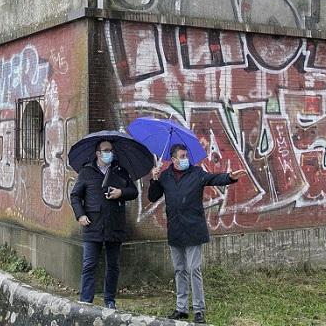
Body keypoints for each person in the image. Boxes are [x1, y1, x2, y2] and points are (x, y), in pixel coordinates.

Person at [147, 143, 246, 324]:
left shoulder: (196, 173)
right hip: (175, 228)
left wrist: (230, 177)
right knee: (179, 270)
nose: (185, 159)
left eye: (186, 156)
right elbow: (153, 197)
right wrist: (153, 179)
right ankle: (181, 308)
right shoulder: (166, 176)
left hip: (193, 227)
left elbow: (213, 178)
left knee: (194, 269)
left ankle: (199, 310)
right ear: (173, 159)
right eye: (182, 156)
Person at [69, 139, 138, 310]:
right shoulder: (87, 172)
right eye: (106, 150)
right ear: (98, 153)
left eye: (111, 150)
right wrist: (81, 215)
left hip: (115, 224)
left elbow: (133, 192)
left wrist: (120, 192)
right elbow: (75, 196)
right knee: (89, 264)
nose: (110, 153)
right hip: (93, 224)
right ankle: (86, 301)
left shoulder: (120, 171)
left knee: (113, 265)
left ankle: (109, 300)